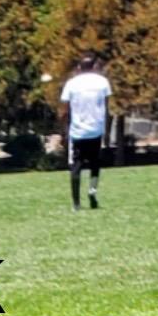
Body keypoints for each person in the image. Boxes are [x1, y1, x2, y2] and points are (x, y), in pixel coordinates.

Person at [59, 52, 112, 211]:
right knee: (95, 163)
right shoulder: (102, 82)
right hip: (96, 129)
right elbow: (106, 107)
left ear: (79, 67)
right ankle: (92, 191)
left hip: (78, 131)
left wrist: (64, 131)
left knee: (75, 166)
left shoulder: (71, 84)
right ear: (94, 66)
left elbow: (65, 110)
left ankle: (76, 203)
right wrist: (106, 129)